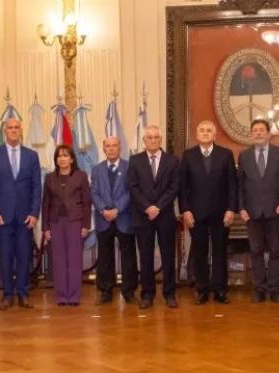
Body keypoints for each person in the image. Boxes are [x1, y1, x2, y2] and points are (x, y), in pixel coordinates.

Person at [0, 118, 42, 310]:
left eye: (17, 127)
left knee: (25, 256)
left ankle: (23, 293)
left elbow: (36, 187)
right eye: (10, 128)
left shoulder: (31, 156)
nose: (14, 131)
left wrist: (35, 213)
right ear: (4, 131)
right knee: (6, 256)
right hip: (3, 217)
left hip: (25, 217)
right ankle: (8, 294)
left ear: (21, 130)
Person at [179, 121, 237, 305]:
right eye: (201, 130)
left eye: (208, 131)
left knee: (220, 252)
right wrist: (185, 210)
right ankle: (202, 289)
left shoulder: (225, 155)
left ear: (214, 135)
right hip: (196, 214)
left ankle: (220, 290)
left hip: (221, 213)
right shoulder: (188, 156)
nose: (205, 133)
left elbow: (232, 186)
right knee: (200, 253)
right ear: (197, 134)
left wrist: (231, 210)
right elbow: (182, 187)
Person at [238, 119, 279, 303]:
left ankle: (275, 290)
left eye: (262, 130)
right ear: (251, 134)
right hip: (252, 212)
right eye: (255, 130)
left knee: (276, 251)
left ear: (269, 134)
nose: (259, 133)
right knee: (256, 251)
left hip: (275, 211)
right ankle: (260, 289)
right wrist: (241, 208)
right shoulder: (244, 156)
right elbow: (240, 186)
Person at [128, 125, 180, 309]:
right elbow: (132, 187)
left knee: (168, 256)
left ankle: (170, 293)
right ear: (144, 140)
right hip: (143, 216)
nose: (153, 140)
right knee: (146, 256)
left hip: (165, 214)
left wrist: (157, 207)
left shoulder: (172, 161)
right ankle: (147, 294)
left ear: (160, 139)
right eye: (149, 137)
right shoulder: (134, 161)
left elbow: (174, 188)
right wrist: (147, 207)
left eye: (156, 137)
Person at [42, 145, 91, 306]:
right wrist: (46, 228)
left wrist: (85, 225)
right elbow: (46, 204)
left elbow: (86, 202)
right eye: (59, 156)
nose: (62, 159)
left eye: (65, 155)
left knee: (75, 259)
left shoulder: (81, 176)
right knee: (59, 260)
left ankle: (74, 295)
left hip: (75, 222)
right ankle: (62, 295)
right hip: (56, 223)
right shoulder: (49, 178)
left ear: (71, 159)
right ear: (56, 160)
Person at [91, 137, 137, 305]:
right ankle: (106, 290)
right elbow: (94, 193)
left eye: (114, 146)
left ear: (120, 147)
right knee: (104, 256)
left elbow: (132, 191)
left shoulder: (129, 167)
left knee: (128, 256)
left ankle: (129, 291)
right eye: (108, 146)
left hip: (124, 217)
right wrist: (104, 210)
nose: (111, 149)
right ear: (104, 149)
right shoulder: (96, 169)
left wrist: (117, 209)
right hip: (104, 219)